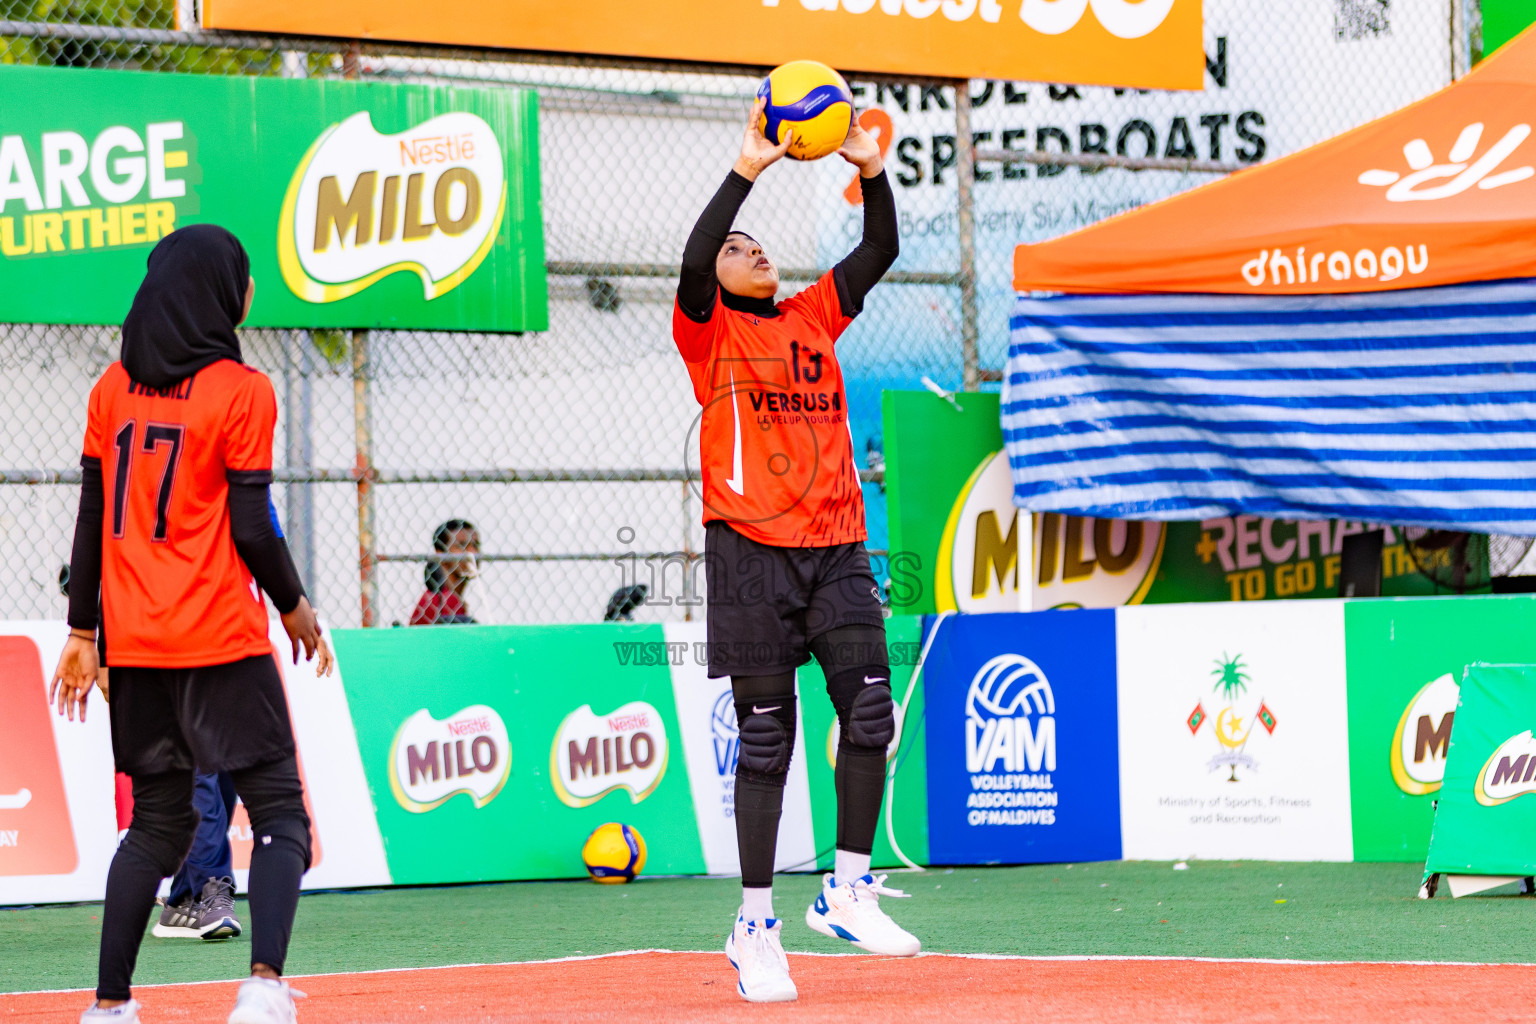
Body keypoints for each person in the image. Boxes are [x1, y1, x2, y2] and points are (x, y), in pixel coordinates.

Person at [49, 224, 332, 1024]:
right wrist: (295, 603)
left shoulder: (111, 390)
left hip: (134, 648)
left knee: (155, 827)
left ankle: (108, 1006)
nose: (248, 293)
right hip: (219, 640)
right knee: (280, 816)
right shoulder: (242, 391)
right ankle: (264, 987)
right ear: (221, 294)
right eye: (243, 280)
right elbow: (251, 524)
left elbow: (91, 515)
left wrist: (82, 632)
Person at [673, 98, 915, 1004]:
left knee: (870, 718)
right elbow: (695, 262)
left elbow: (879, 249)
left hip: (838, 550)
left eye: (758, 242)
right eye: (740, 248)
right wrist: (748, 167)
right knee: (766, 739)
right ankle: (753, 924)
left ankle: (847, 891)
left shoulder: (813, 313)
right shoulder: (707, 333)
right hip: (749, 555)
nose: (752, 249)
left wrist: (867, 164)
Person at [408, 519, 480, 625]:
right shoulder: (443, 601)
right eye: (462, 546)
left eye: (476, 545)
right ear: (441, 555)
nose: (473, 553)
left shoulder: (443, 597)